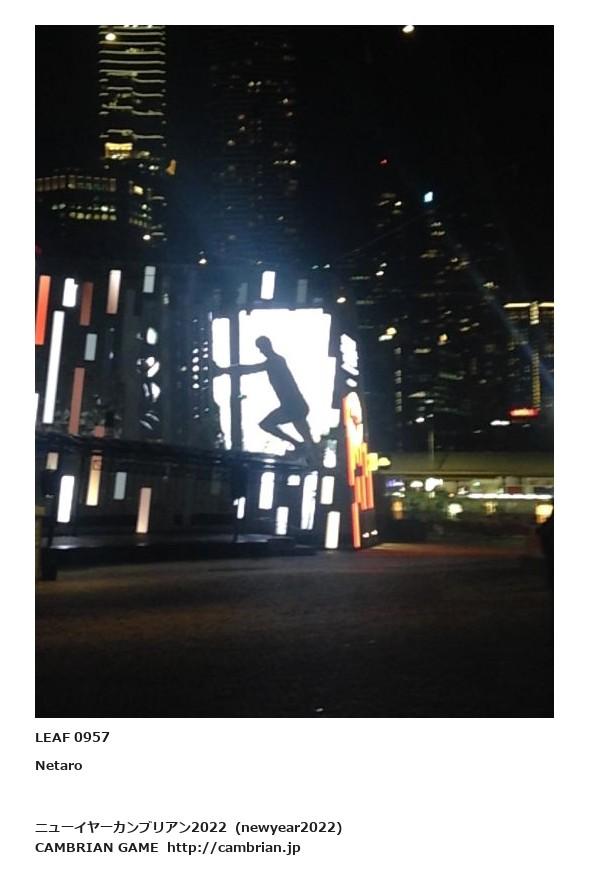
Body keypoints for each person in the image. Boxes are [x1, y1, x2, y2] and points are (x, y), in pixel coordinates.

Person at [219, 336, 316, 457]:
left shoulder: (275, 361)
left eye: (261, 348)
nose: (261, 351)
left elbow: (250, 369)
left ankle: (301, 447)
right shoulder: (276, 361)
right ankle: (308, 452)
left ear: (267, 346)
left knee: (266, 424)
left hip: (292, 406)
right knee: (306, 436)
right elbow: (250, 369)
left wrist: (224, 370)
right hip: (295, 405)